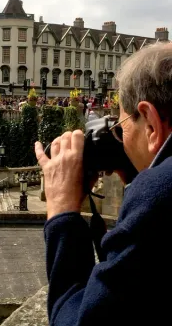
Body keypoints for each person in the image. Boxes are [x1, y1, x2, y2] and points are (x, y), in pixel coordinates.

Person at [35, 43, 172, 326]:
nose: (119, 137)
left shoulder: (159, 192)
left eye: (121, 126)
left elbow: (78, 320)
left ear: (151, 123)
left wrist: (61, 211)